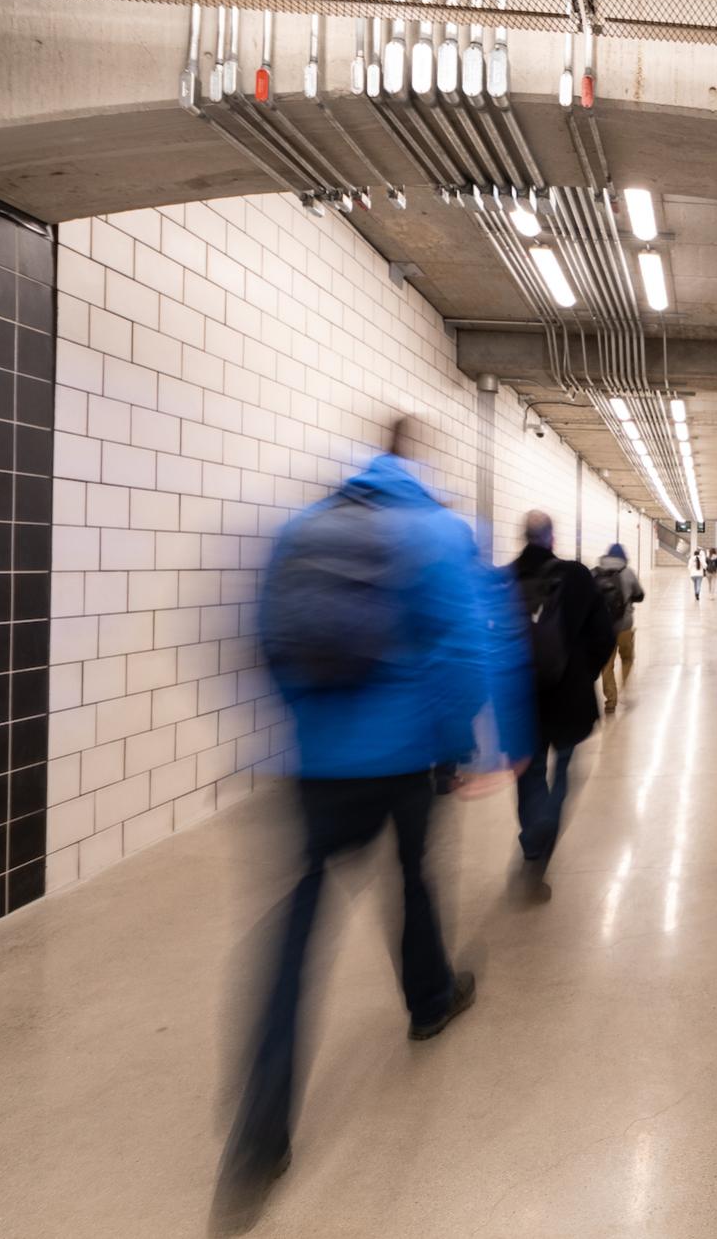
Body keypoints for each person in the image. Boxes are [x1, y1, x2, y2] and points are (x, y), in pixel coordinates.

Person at [216, 418, 531, 1231]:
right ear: (418, 469)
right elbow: (467, 650)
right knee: (414, 877)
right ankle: (429, 999)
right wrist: (460, 744)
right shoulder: (435, 532)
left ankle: (258, 1133)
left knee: (295, 927)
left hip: (316, 762)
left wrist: (308, 729)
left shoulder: (301, 526)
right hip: (403, 759)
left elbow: (257, 639)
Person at [510, 512, 616, 873]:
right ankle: (546, 826)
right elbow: (604, 635)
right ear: (552, 538)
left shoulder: (506, 579)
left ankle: (532, 834)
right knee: (565, 766)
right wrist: (583, 674)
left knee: (530, 771)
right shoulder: (576, 576)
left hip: (523, 697)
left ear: (523, 537)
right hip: (569, 696)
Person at [594, 543, 644, 715]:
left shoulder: (595, 573)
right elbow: (640, 594)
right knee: (627, 658)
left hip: (603, 629)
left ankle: (611, 701)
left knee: (607, 666)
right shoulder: (628, 572)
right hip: (625, 626)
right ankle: (623, 688)